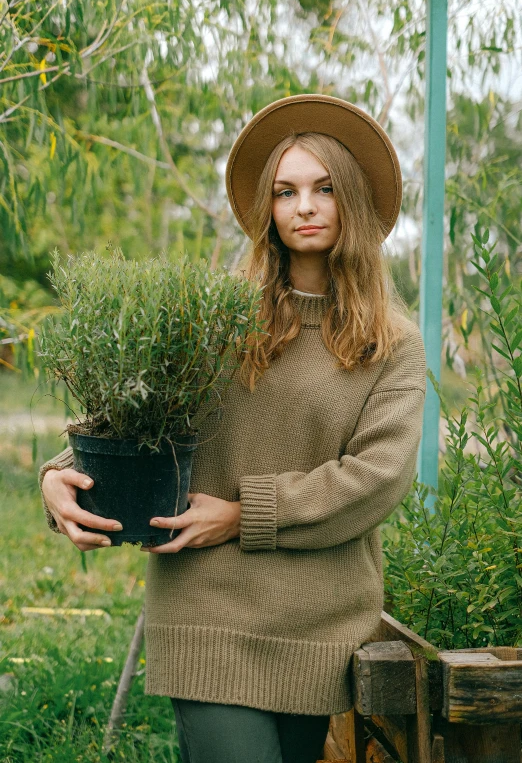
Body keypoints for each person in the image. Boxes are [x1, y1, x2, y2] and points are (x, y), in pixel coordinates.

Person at [39, 94, 427, 763]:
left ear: (353, 202)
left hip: (317, 623)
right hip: (206, 608)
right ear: (267, 210)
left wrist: (245, 513)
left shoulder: (392, 343)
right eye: (285, 192)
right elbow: (136, 418)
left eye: (324, 189)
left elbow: (376, 479)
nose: (304, 206)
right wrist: (55, 475)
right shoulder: (217, 322)